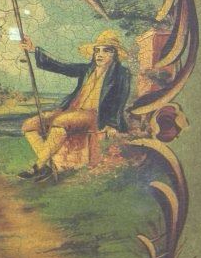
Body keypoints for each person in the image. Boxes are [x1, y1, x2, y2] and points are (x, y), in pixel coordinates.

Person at [18, 30, 131, 181]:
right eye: (97, 50)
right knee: (29, 125)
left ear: (115, 54)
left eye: (106, 50)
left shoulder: (121, 73)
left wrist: (112, 124)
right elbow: (61, 66)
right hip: (72, 110)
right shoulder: (87, 69)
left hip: (95, 115)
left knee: (60, 122)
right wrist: (33, 50)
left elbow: (120, 99)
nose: (100, 54)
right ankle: (48, 166)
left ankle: (37, 167)